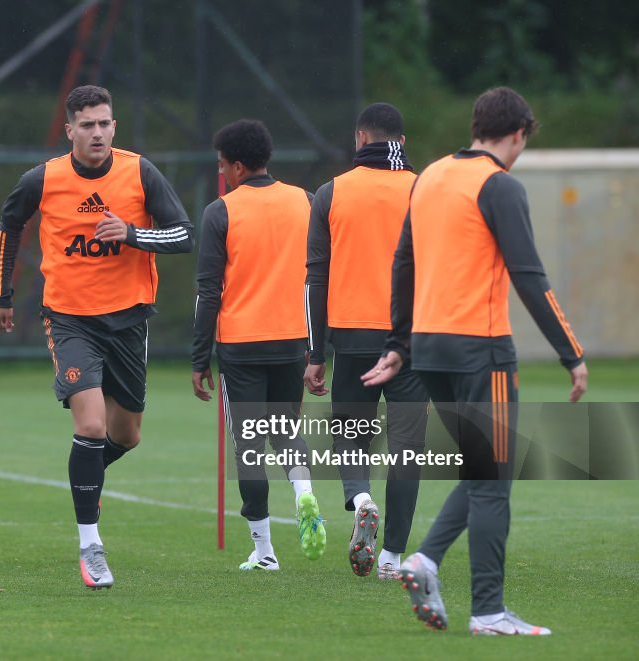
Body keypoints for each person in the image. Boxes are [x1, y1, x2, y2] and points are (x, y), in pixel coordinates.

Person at [362, 87, 587, 635]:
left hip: (432, 352)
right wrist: (571, 353)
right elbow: (529, 277)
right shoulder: (500, 185)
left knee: (486, 471)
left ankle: (424, 560)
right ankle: (488, 611)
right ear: (518, 134)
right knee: (492, 482)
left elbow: (403, 264)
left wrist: (399, 344)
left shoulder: (432, 177)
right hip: (481, 351)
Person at [0, 85, 193, 589]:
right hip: (70, 319)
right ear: (70, 131)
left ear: (114, 127)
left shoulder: (140, 172)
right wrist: (3, 293)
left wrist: (131, 233)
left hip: (128, 321)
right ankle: (91, 546)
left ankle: (90, 481)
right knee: (93, 425)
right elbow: (9, 223)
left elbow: (183, 234)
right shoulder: (44, 179)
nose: (97, 132)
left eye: (105, 123)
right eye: (87, 125)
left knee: (127, 435)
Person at [192, 119, 326, 571]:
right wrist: (317, 347)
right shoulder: (305, 202)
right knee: (284, 429)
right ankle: (305, 492)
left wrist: (198, 358)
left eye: (224, 165)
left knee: (248, 443)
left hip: (241, 344)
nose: (223, 173)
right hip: (292, 341)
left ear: (239, 166)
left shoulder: (220, 211)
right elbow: (318, 277)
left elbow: (208, 290)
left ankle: (265, 550)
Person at [304, 103, 428, 580]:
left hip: (353, 338)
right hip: (412, 341)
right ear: (401, 138)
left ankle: (360, 498)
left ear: (360, 139)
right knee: (408, 448)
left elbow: (316, 278)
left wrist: (316, 354)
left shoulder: (332, 193)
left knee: (350, 439)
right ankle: (393, 557)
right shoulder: (423, 190)